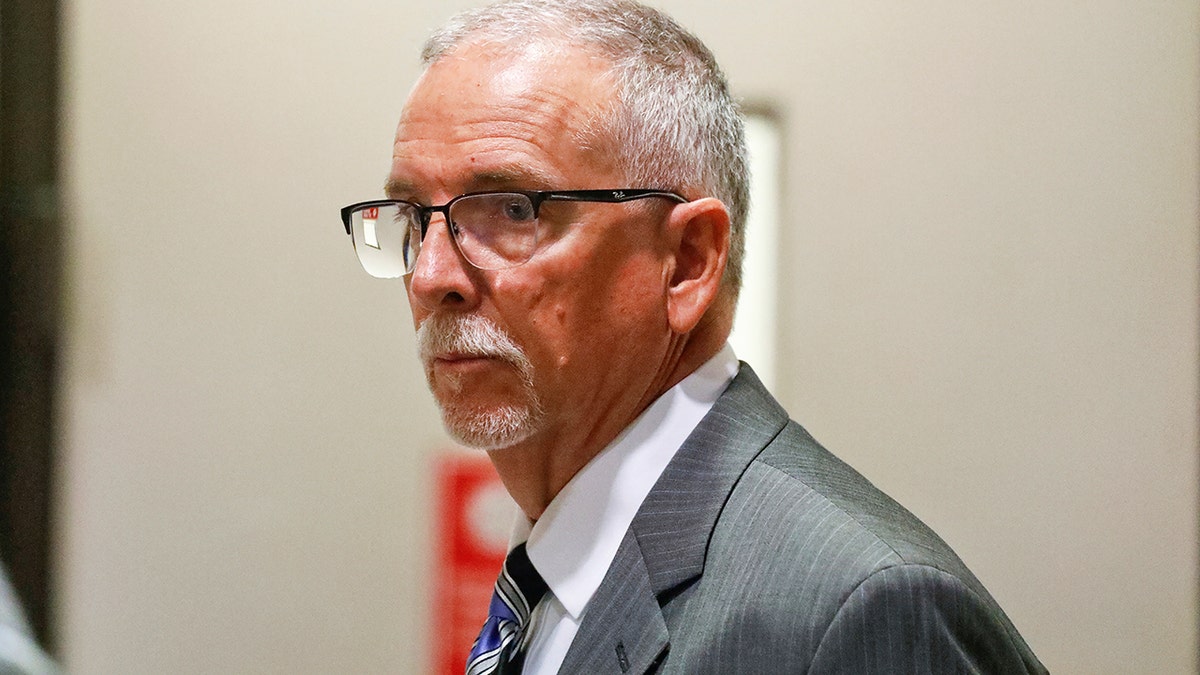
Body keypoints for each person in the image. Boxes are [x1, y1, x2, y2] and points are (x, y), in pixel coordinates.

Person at [338, 0, 1047, 671]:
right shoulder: (553, 571)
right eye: (410, 214)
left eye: (513, 209)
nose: (431, 275)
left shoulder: (858, 610)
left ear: (687, 262)